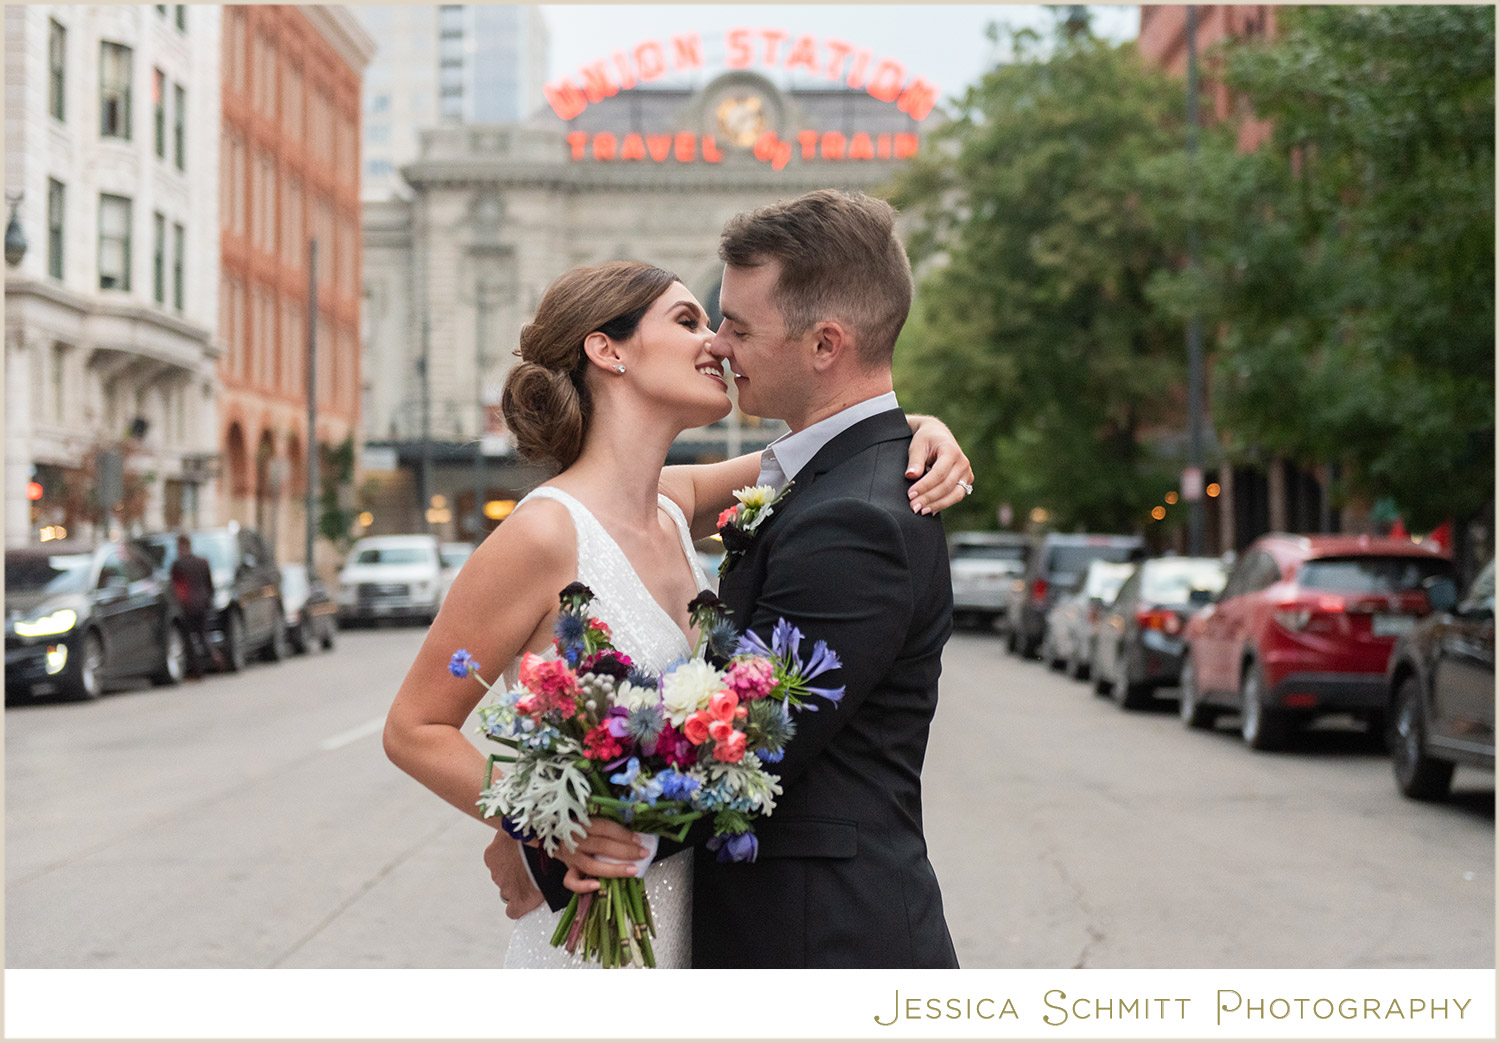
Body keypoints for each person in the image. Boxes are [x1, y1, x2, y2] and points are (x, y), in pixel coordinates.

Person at [384, 252, 973, 968]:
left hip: (695, 922)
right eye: (690, 320)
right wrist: (541, 822)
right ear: (608, 350)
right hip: (598, 945)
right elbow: (414, 725)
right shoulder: (543, 534)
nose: (717, 343)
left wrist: (920, 425)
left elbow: (842, 451)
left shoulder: (673, 506)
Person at [169, 534, 223, 678]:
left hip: (188, 605)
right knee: (203, 635)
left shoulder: (178, 565)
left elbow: (177, 587)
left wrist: (179, 603)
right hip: (203, 604)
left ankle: (196, 669)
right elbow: (210, 585)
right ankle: (214, 655)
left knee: (189, 638)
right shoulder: (202, 562)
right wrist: (208, 601)